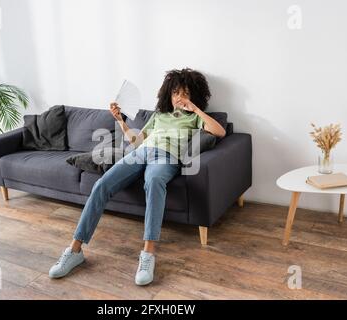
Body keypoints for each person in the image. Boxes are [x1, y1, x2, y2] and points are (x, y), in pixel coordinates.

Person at [49, 68, 226, 285]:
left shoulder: (194, 118)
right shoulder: (158, 116)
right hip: (140, 152)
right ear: (168, 94)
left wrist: (195, 109)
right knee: (102, 185)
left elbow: (219, 132)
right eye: (175, 92)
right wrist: (121, 121)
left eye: (186, 93)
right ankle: (75, 250)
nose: (179, 97)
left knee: (153, 181)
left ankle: (148, 254)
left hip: (166, 157)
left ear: (194, 95)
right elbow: (137, 141)